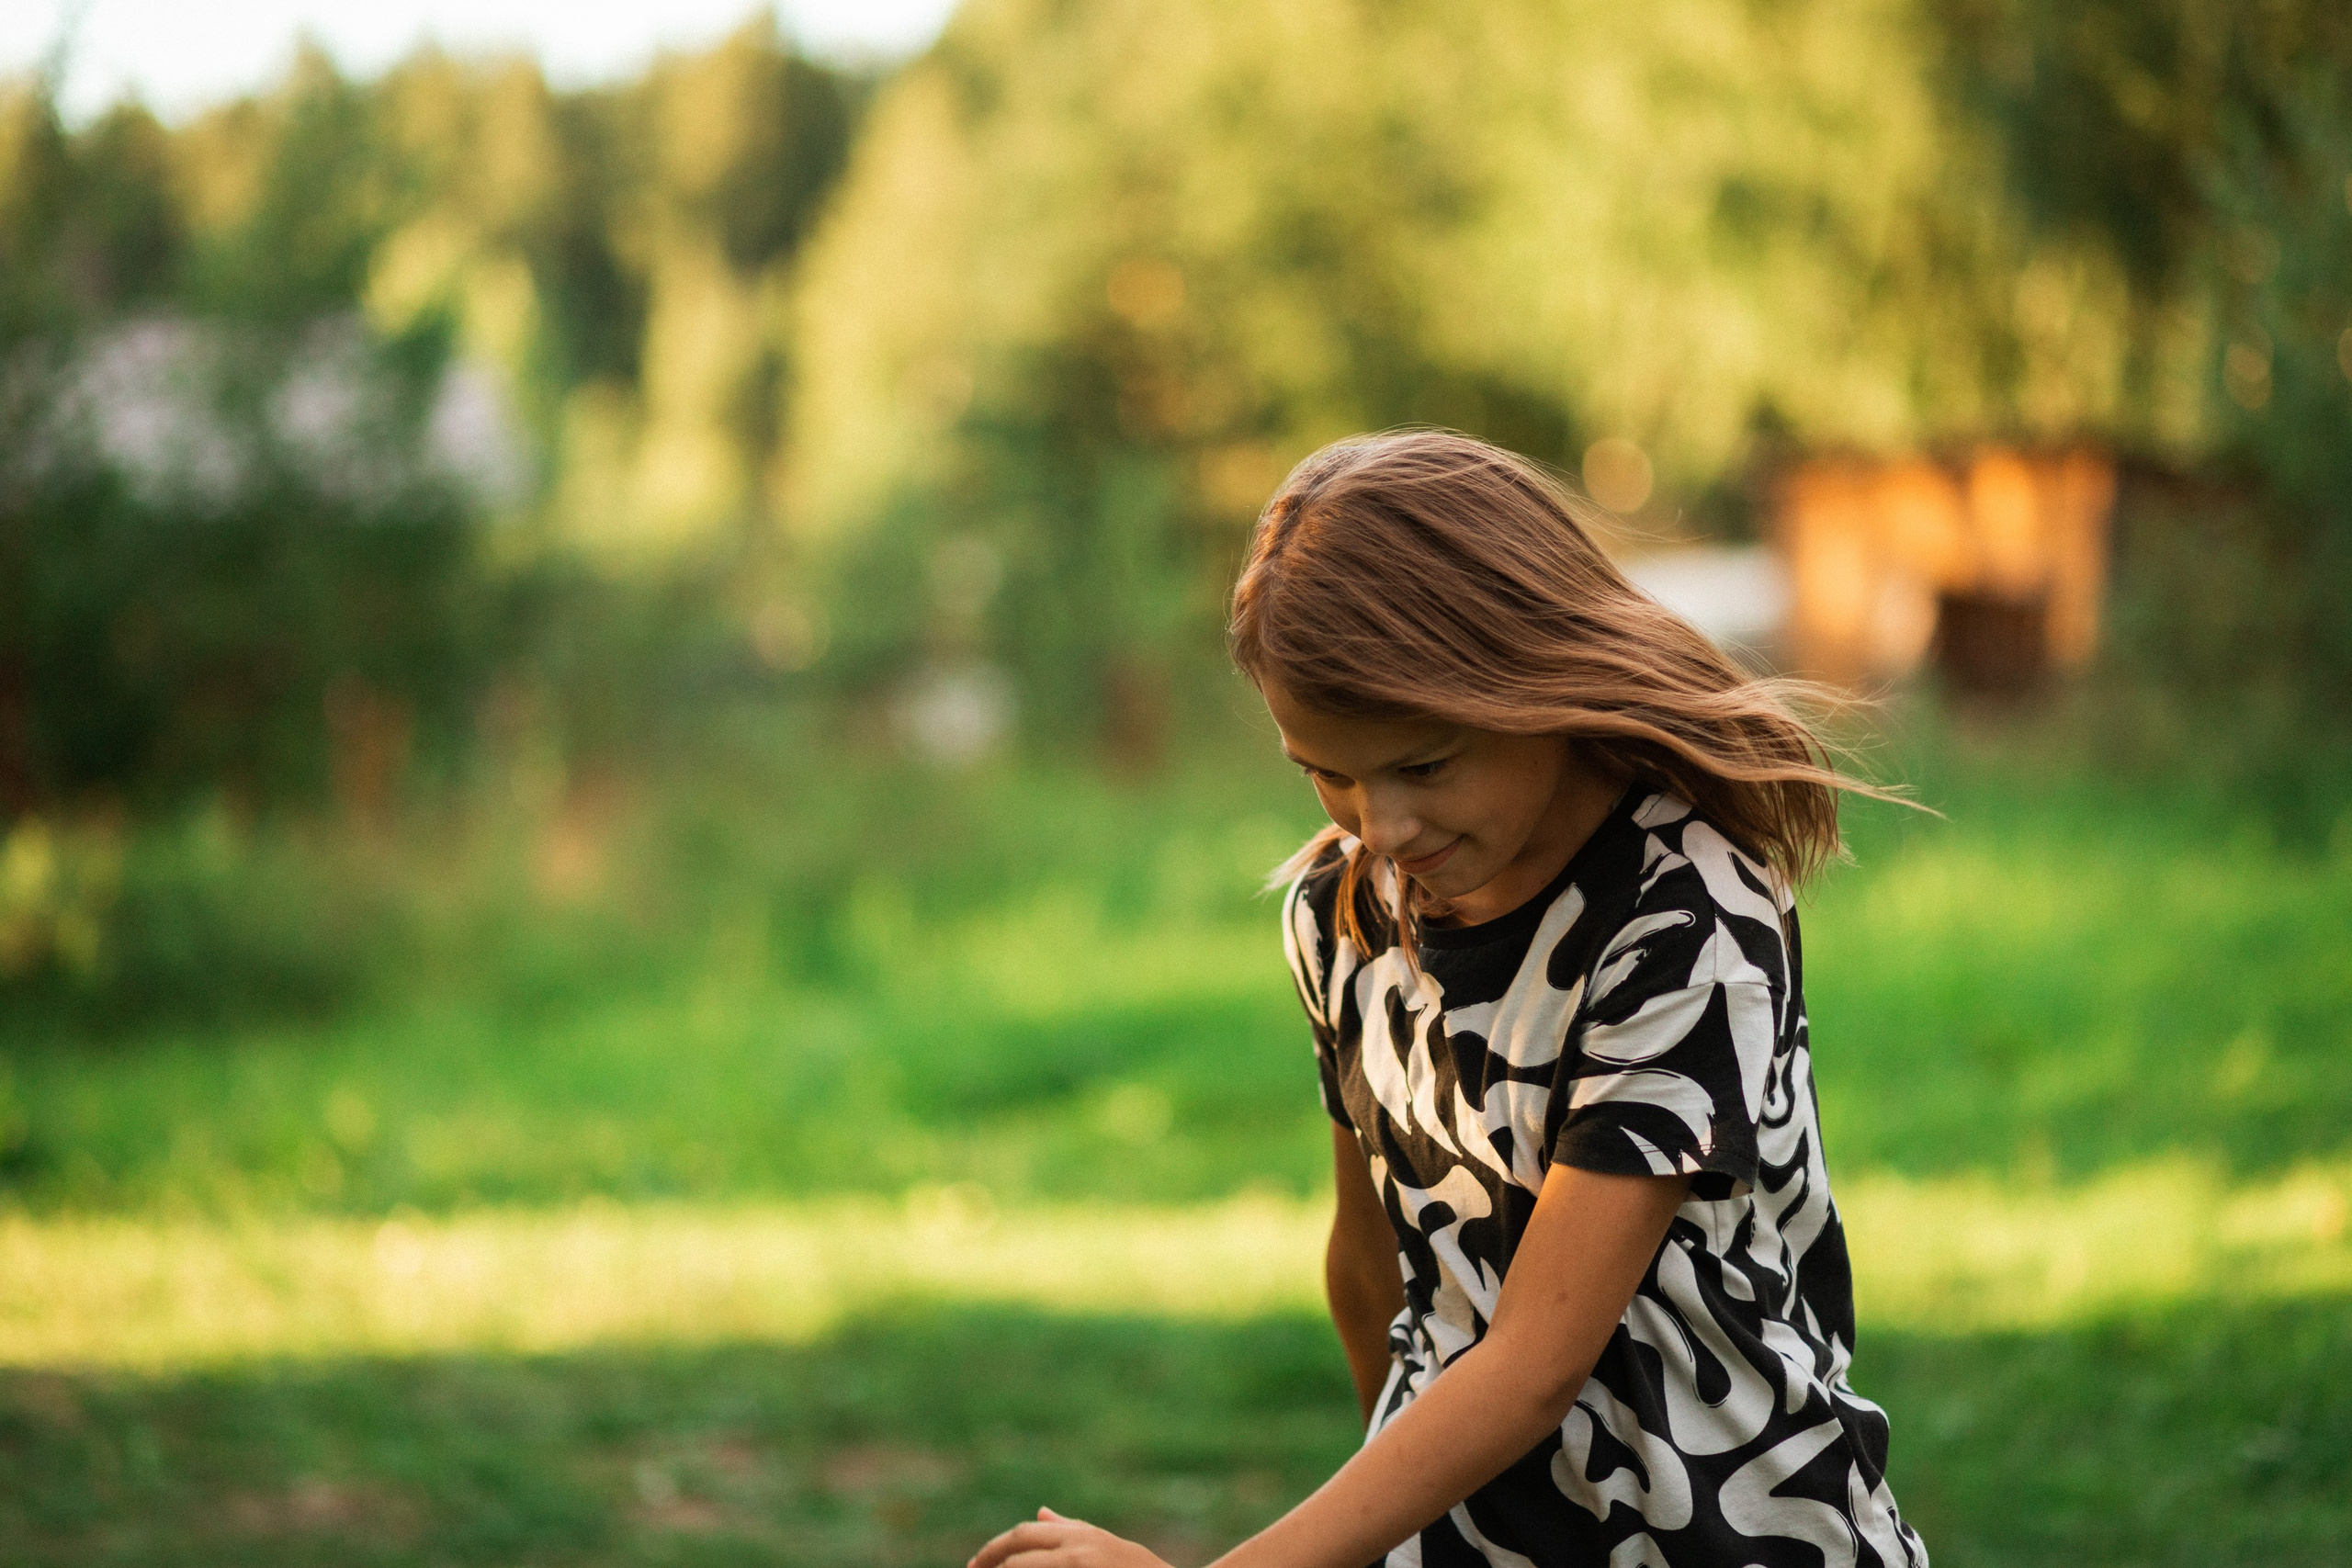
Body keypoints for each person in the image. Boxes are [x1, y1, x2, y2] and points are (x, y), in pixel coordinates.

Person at [972, 431, 1928, 1568]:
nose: (1380, 827)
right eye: (1325, 770)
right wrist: (1414, 1523)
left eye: (1423, 766)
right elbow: (1368, 1263)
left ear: (1535, 683)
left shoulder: (1684, 917)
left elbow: (1534, 1364)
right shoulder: (1345, 908)